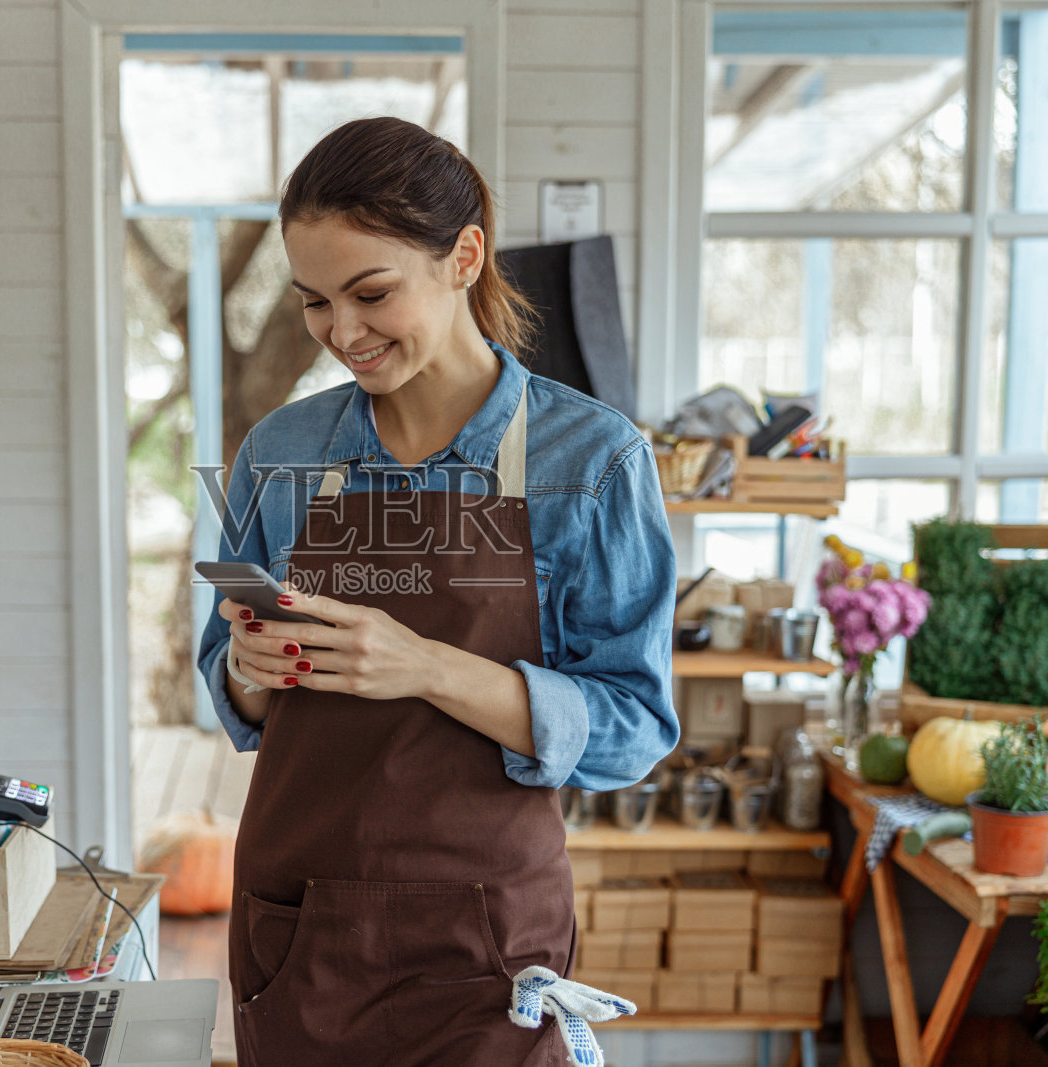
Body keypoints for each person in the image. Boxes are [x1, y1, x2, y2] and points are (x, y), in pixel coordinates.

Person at [196, 116, 678, 1066]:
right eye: (315, 303)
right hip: (300, 929)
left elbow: (632, 728)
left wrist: (421, 665)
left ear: (464, 257)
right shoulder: (282, 455)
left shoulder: (591, 462)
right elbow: (237, 697)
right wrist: (251, 665)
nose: (342, 333)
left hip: (488, 943)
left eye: (372, 293)